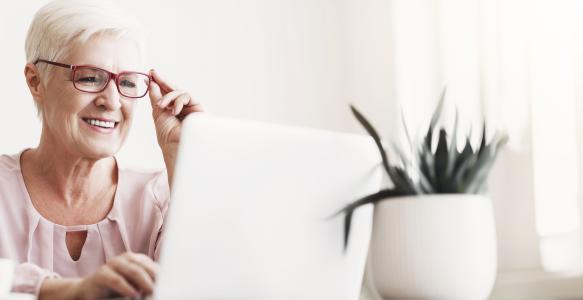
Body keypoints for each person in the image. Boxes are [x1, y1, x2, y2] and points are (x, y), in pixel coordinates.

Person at [0, 0, 203, 299]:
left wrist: (184, 161)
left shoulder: (163, 196)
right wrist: (68, 292)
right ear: (35, 82)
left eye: (128, 82)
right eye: (90, 77)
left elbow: (204, 287)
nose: (112, 101)